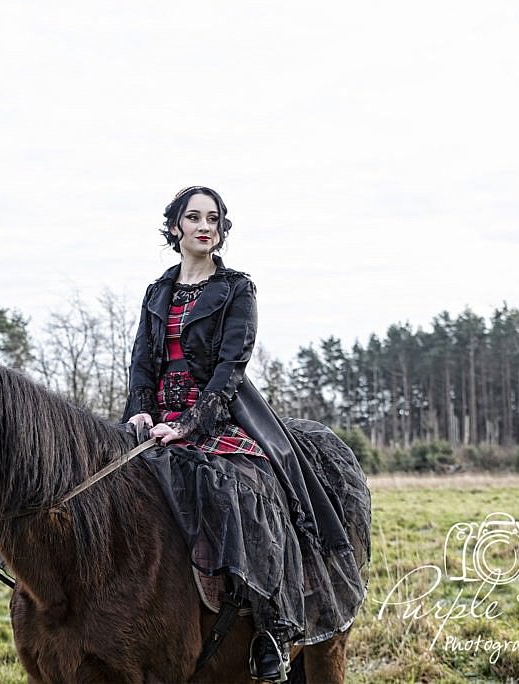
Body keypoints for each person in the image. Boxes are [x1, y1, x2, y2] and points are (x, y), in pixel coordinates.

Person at [123, 186, 367, 682]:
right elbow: (142, 364)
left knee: (242, 490)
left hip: (220, 413)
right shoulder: (157, 291)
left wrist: (189, 423)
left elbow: (231, 367)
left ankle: (271, 628)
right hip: (159, 416)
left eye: (213, 218)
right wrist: (140, 413)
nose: (204, 225)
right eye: (193, 217)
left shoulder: (236, 289)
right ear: (176, 228)